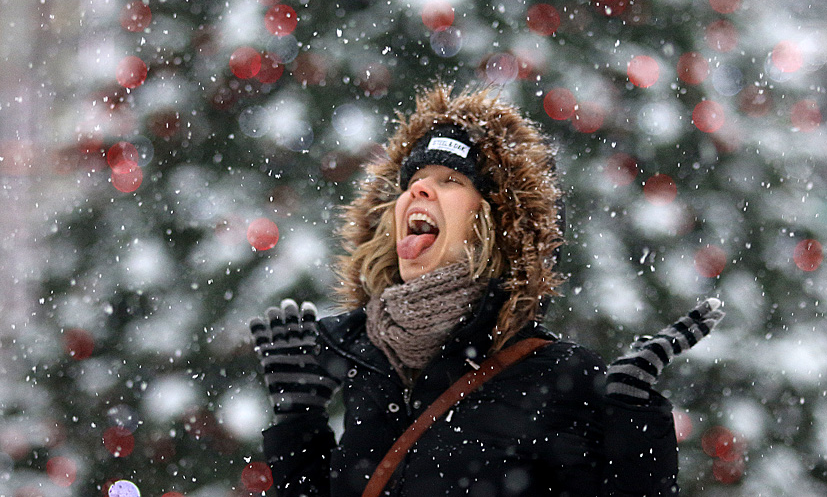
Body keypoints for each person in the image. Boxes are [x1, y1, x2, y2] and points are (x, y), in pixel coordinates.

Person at [250, 82, 723, 497]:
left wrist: (633, 425)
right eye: (412, 182)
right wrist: (299, 422)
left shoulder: (560, 377)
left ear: (497, 226)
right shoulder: (369, 365)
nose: (419, 192)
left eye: (450, 180)